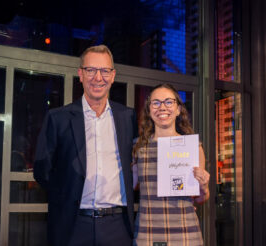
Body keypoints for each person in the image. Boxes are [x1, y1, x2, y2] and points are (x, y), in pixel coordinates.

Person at [33, 45, 137, 246]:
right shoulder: (58, 118)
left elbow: (137, 165)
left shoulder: (128, 117)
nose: (98, 77)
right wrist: (67, 194)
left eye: (105, 71)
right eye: (91, 70)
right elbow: (42, 171)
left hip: (118, 226)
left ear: (113, 75)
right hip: (73, 226)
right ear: (80, 74)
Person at [132, 83, 210, 246]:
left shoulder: (193, 147)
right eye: (156, 102)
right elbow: (131, 187)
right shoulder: (138, 147)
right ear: (149, 109)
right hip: (147, 233)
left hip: (185, 231)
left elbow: (201, 198)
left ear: (178, 109)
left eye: (169, 102)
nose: (162, 107)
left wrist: (204, 186)